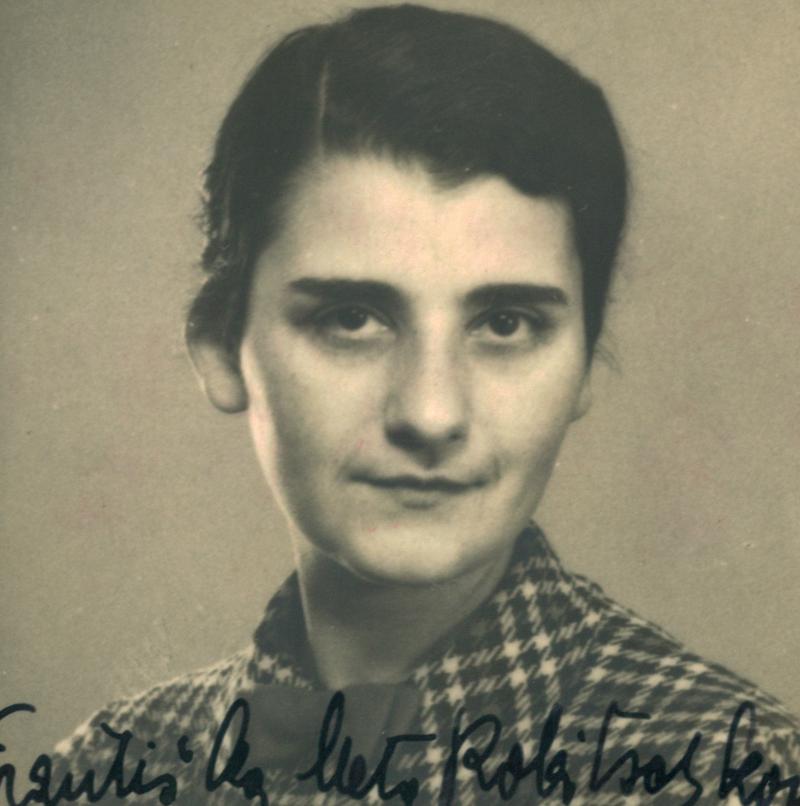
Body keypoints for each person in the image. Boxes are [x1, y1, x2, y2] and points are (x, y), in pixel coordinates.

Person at [46, 4, 798, 804]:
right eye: (352, 319)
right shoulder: (102, 774)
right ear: (220, 346)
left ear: (585, 363)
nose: (431, 414)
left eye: (505, 324)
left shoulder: (740, 774)